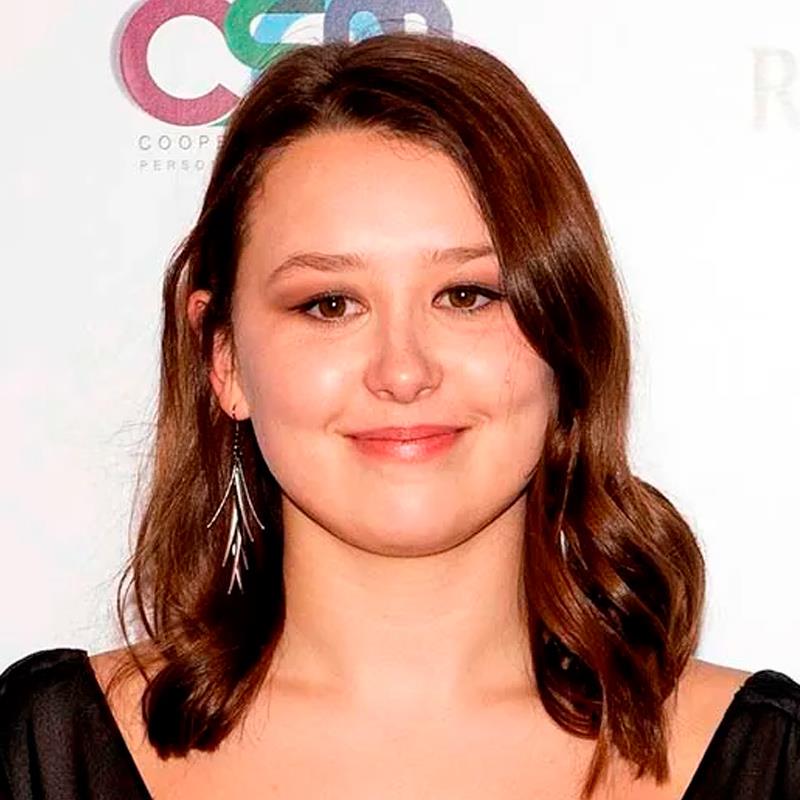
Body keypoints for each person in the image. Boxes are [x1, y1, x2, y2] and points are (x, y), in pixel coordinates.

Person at [1, 31, 798, 800]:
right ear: (226, 360)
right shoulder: (45, 750)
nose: (404, 372)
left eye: (467, 295)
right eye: (330, 303)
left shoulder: (766, 761)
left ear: (566, 336)